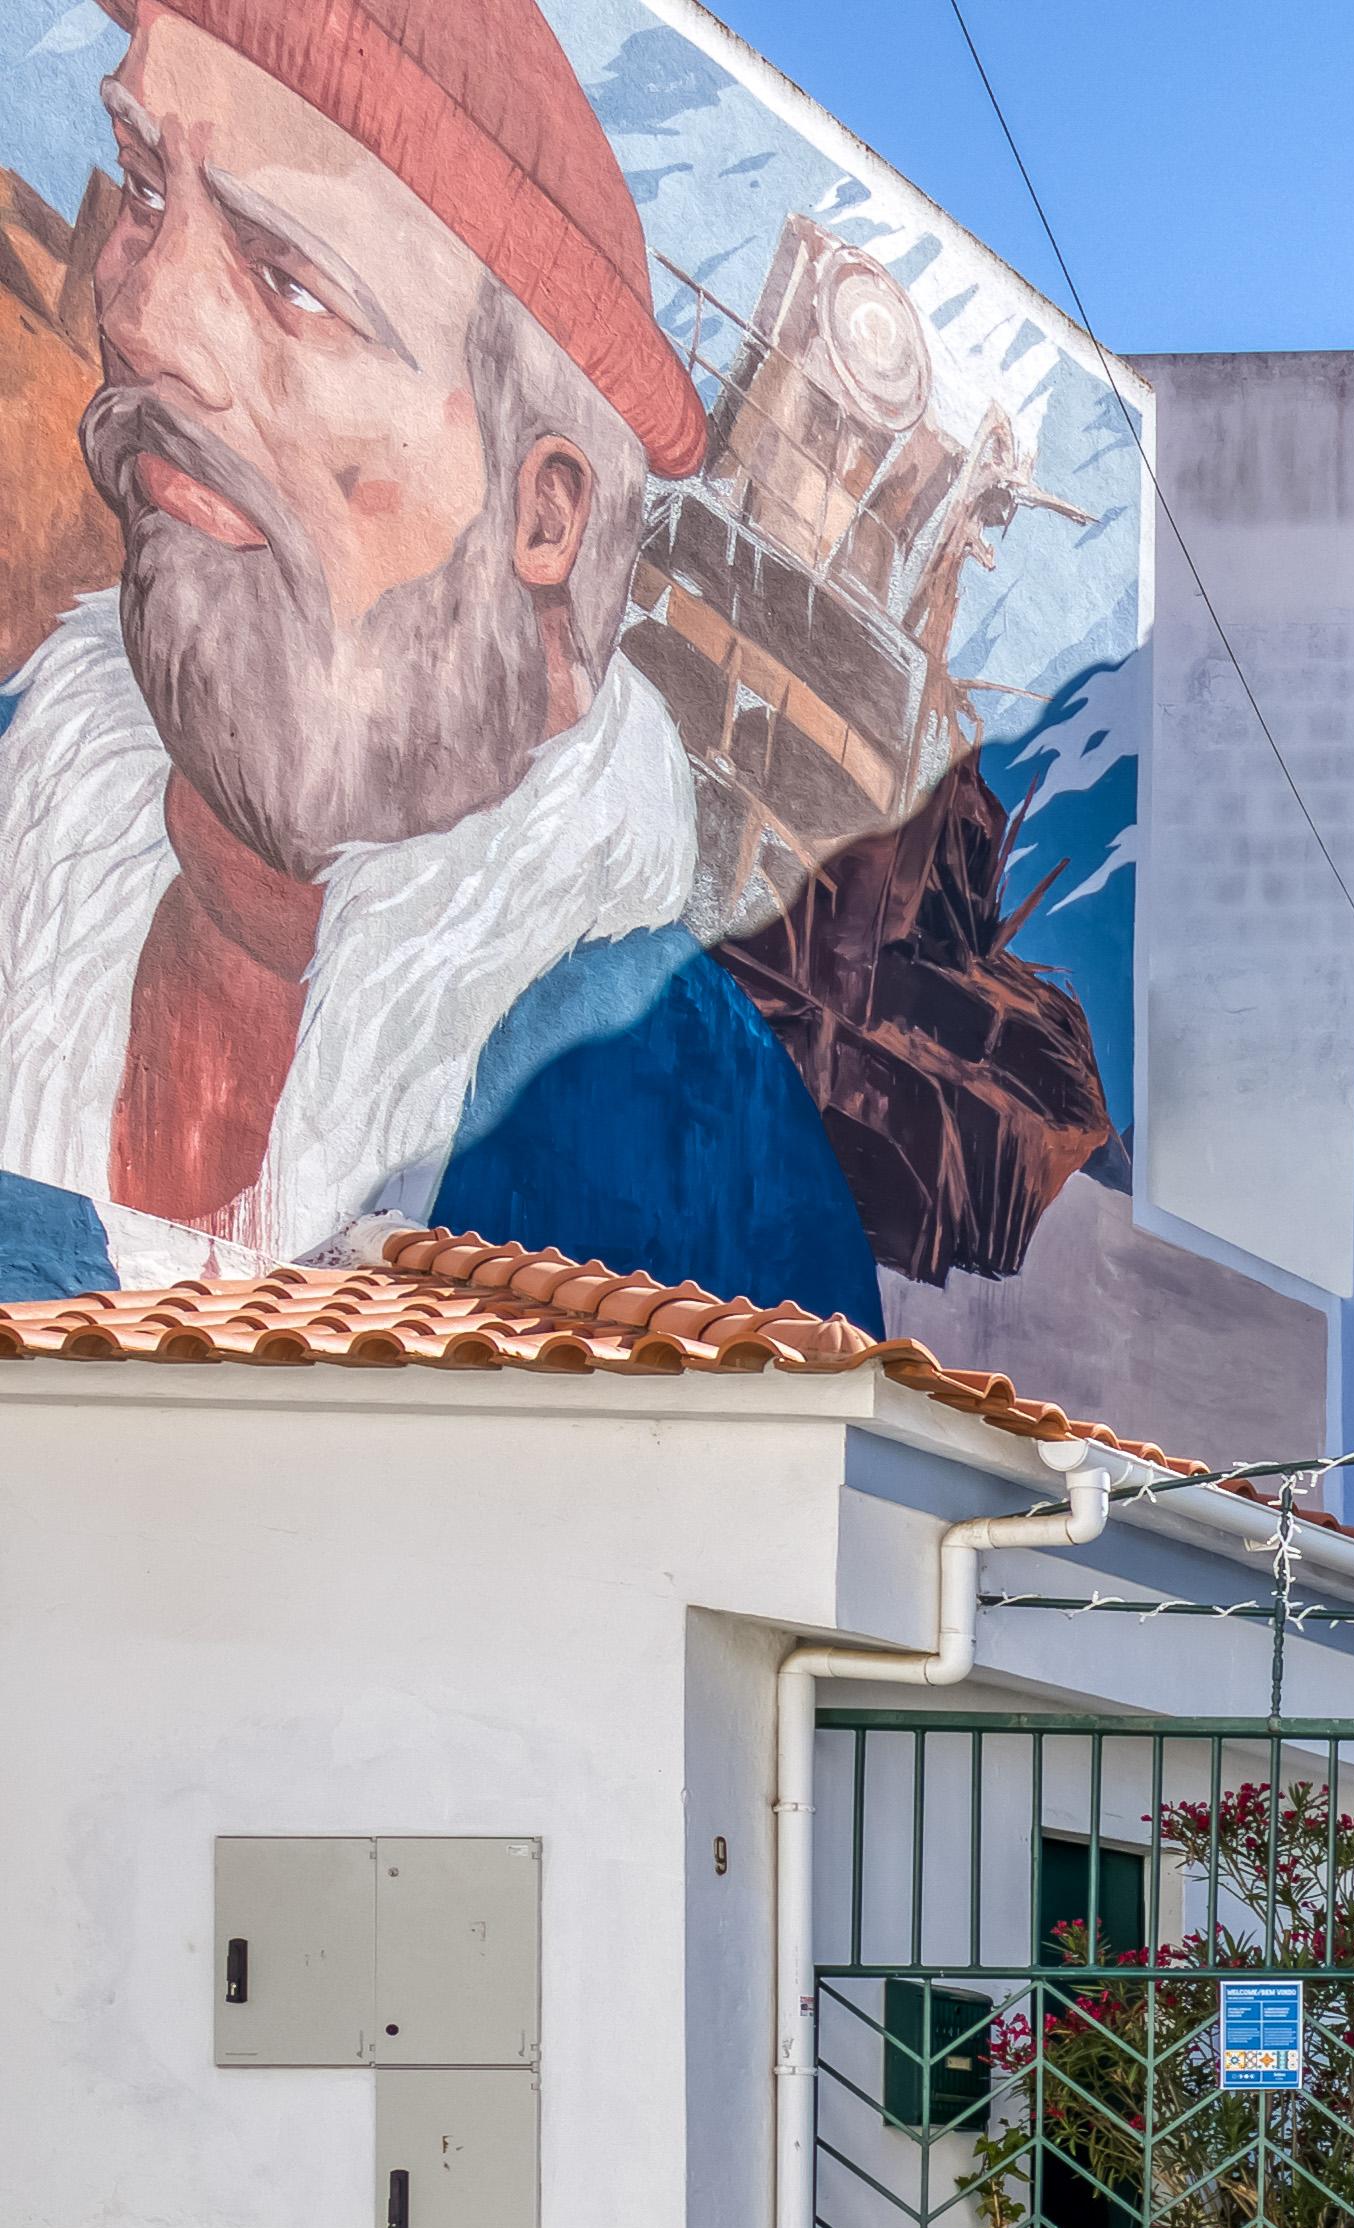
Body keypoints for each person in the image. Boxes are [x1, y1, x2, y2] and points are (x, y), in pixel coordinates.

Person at [0, 0, 867, 1306]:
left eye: (289, 280)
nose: (143, 316)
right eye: (140, 188)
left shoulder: (690, 1117)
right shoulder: (30, 795)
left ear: (542, 513)